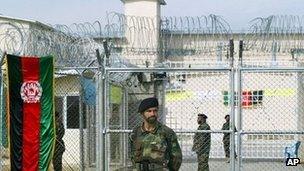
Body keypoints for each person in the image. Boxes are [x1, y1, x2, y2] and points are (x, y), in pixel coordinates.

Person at [130, 97, 182, 171]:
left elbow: (176, 158)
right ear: (142, 113)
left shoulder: (167, 132)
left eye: (155, 111)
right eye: (149, 111)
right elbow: (132, 155)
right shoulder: (136, 132)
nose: (153, 114)